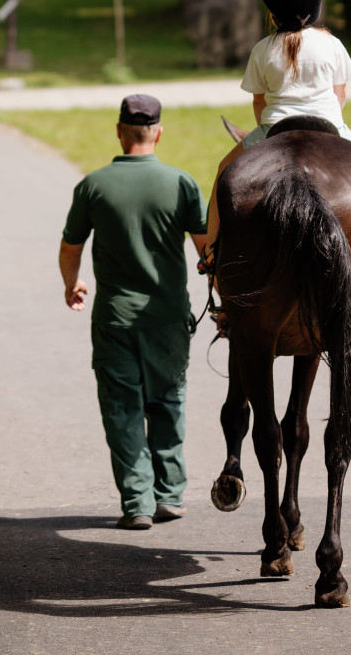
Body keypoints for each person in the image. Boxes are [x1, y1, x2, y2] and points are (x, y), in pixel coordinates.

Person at [59, 93, 209, 531]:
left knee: (122, 407)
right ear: (159, 132)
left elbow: (71, 248)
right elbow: (207, 255)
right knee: (168, 400)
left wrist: (73, 283)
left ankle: (137, 503)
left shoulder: (93, 185)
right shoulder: (182, 183)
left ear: (120, 131)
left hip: (114, 319)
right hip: (167, 318)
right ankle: (169, 495)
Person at [205, 0, 351, 253]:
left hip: (273, 130)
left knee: (223, 171)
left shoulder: (262, 49)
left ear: (272, 11)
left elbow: (259, 100)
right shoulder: (332, 44)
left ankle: (211, 250)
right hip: (331, 126)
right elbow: (340, 93)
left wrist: (264, 131)